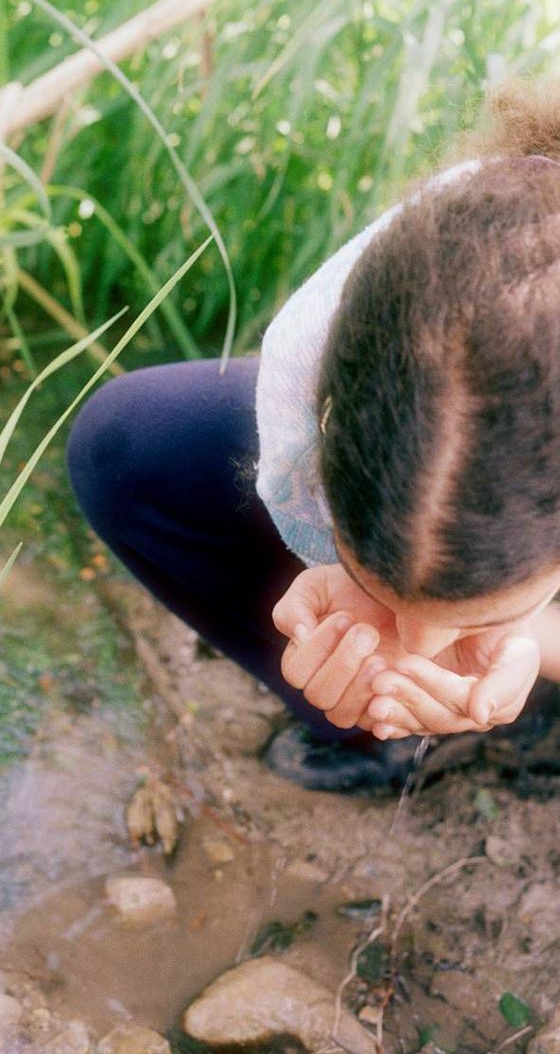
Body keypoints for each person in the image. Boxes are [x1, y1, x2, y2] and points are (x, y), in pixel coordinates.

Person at [66, 79, 560, 793]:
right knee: (127, 443)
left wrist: (529, 640)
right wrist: (347, 583)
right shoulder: (339, 325)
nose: (414, 646)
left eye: (489, 607)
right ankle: (375, 729)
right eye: (372, 576)